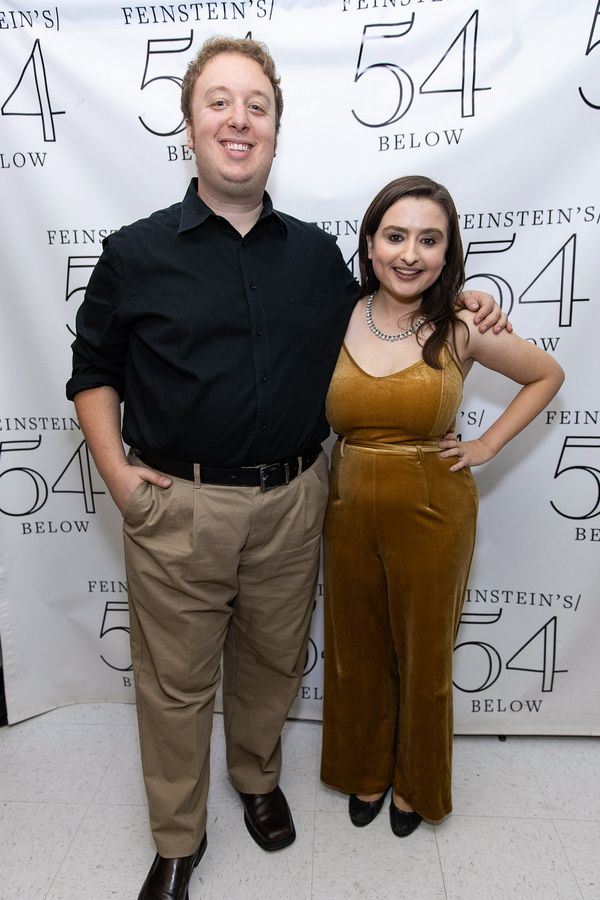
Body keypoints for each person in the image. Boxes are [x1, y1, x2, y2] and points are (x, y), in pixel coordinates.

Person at [66, 37, 507, 900]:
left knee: (271, 663)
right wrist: (120, 479)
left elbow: (392, 315)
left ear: (275, 127)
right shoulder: (133, 252)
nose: (239, 121)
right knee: (177, 684)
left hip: (297, 499)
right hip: (177, 504)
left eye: (257, 106)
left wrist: (468, 299)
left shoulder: (313, 255)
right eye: (220, 103)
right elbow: (92, 371)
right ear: (190, 125)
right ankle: (177, 837)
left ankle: (258, 782)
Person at [320, 175, 564, 838]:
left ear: (448, 249)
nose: (410, 253)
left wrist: (487, 442)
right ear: (370, 243)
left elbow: (547, 375)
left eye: (429, 239)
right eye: (396, 235)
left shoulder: (461, 323)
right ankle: (365, 771)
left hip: (434, 511)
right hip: (344, 509)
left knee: (424, 657)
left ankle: (415, 786)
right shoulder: (336, 311)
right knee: (355, 649)